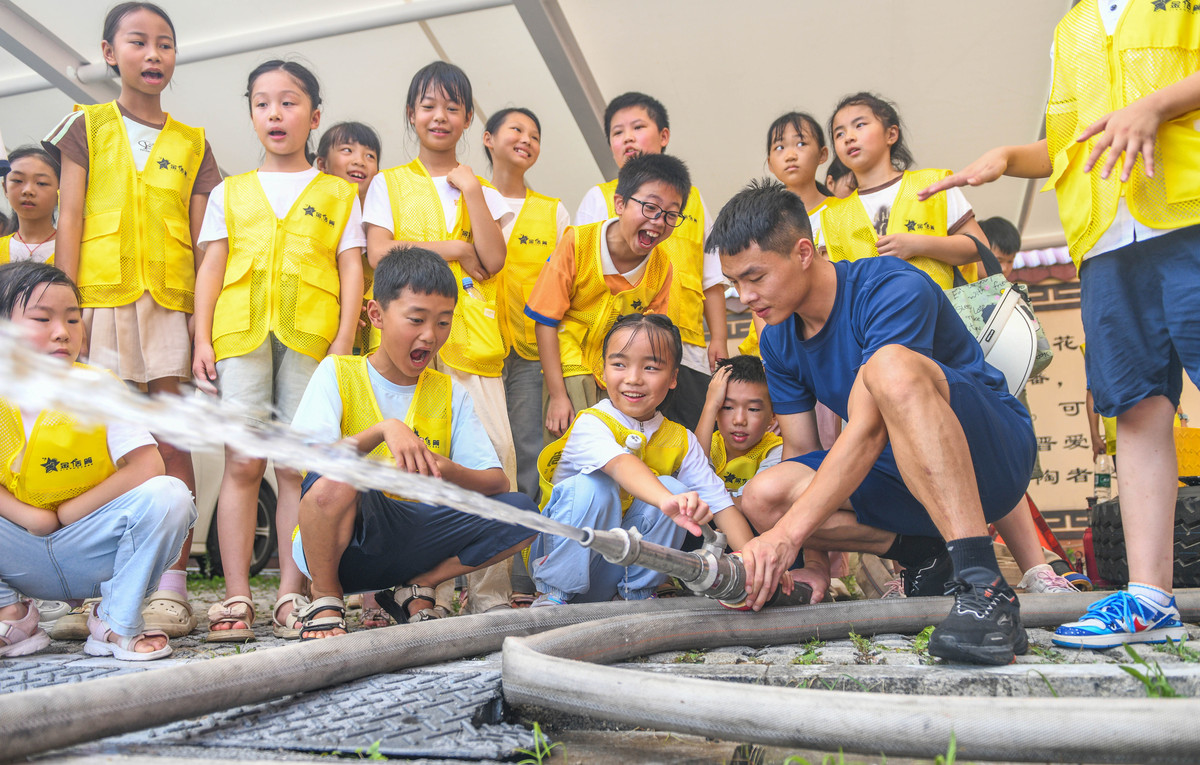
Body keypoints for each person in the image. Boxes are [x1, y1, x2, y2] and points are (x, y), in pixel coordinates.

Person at [921, 1, 1200, 649]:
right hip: (1106, 235)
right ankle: (1151, 598)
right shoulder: (1070, 28)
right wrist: (1007, 158)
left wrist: (1157, 106)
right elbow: (1068, 141)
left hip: (1189, 212)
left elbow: (1142, 108)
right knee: (1135, 408)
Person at [710, 180, 1036, 665]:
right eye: (734, 283)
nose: (744, 296)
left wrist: (783, 539)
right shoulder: (778, 339)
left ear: (803, 252)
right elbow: (802, 451)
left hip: (992, 455)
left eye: (754, 277)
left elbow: (868, 428)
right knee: (763, 495)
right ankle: (924, 554)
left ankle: (984, 587)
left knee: (887, 367)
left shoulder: (890, 286)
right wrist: (810, 565)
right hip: (901, 476)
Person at [42, 2, 221, 639]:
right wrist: (66, 312)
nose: (153, 55)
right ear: (109, 52)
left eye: (165, 44)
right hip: (100, 307)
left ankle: (171, 585)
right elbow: (70, 222)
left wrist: (204, 328)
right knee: (100, 445)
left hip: (170, 306)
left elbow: (207, 246)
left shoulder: (195, 143)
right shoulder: (83, 127)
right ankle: (96, 586)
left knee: (172, 441)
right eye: (139, 43)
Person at [192, 60, 364, 642]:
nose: (275, 113)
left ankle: (292, 595)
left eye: (289, 103)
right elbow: (211, 266)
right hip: (239, 334)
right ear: (251, 114)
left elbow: (351, 269)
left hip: (313, 340)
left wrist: (342, 343)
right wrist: (200, 338)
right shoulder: (229, 192)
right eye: (263, 102)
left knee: (295, 466)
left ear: (314, 116)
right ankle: (236, 596)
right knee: (242, 462)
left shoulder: (339, 193)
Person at [289, 247, 538, 638]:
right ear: (376, 315)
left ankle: (418, 584)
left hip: (417, 539)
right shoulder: (337, 372)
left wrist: (445, 468)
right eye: (416, 320)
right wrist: (382, 430)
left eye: (443, 322)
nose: (430, 335)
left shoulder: (450, 392)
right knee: (336, 478)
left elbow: (496, 483)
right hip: (346, 544)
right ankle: (325, 597)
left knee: (522, 512)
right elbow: (308, 460)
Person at [363, 62, 517, 616]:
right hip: (407, 348)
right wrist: (453, 250)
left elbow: (494, 260)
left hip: (474, 343)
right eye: (428, 105)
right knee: (418, 461)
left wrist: (473, 190)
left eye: (453, 107)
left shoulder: (480, 186)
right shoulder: (387, 183)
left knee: (495, 459)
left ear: (469, 118)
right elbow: (381, 255)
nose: (439, 116)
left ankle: (491, 594)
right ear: (411, 113)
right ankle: (418, 588)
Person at [0, 261, 195, 660]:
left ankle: (115, 622)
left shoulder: (99, 387)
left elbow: (148, 466)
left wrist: (71, 512)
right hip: (17, 552)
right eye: (43, 319)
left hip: (88, 546)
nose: (63, 332)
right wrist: (33, 517)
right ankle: (12, 617)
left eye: (74, 320)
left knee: (171, 496)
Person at [529, 314, 755, 605]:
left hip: (612, 575)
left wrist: (755, 561)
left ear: (673, 378)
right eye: (619, 364)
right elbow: (622, 465)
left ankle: (636, 596)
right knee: (595, 487)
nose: (633, 378)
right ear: (602, 370)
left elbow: (722, 505)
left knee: (676, 489)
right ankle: (552, 597)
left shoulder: (681, 440)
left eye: (650, 367)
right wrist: (665, 500)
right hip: (565, 564)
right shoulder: (592, 423)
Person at [574, 92, 727, 430]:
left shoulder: (695, 201)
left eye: (638, 126)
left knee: (690, 435)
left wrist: (718, 337)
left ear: (664, 136)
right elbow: (579, 279)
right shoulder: (599, 198)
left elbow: (713, 277)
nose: (627, 137)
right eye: (617, 132)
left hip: (688, 345)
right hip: (625, 350)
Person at [526, 153, 686, 438]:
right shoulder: (577, 244)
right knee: (569, 452)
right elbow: (545, 321)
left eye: (671, 214)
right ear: (620, 204)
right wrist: (558, 396)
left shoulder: (662, 268)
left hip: (620, 376)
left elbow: (654, 337)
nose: (659, 221)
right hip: (570, 368)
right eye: (650, 207)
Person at [484, 107, 570, 500]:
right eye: (516, 130)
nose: (526, 140)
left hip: (530, 351)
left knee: (529, 447)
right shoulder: (467, 198)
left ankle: (524, 555)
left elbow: (567, 289)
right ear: (488, 139)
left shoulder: (553, 211)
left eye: (534, 136)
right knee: (480, 447)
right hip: (475, 345)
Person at [821, 92, 987, 289]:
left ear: (891, 134)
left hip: (942, 314)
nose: (848, 137)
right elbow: (834, 288)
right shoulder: (832, 217)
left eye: (859, 125)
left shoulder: (934, 184)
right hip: (876, 319)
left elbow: (980, 247)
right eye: (839, 134)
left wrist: (918, 245)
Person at [741, 112, 833, 357]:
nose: (791, 154)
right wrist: (769, 350)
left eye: (801, 144)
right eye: (779, 147)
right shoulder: (761, 219)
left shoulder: (844, 211)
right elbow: (753, 285)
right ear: (770, 163)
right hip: (776, 339)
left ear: (823, 154)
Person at [316, 120, 381, 359]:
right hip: (322, 326)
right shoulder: (313, 213)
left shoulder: (380, 220)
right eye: (347, 150)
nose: (359, 160)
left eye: (370, 155)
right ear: (321, 164)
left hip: (369, 334)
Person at [694, 355, 782, 509]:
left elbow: (751, 505)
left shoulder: (776, 452)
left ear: (773, 416)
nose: (739, 420)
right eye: (727, 407)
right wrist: (710, 405)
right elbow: (692, 474)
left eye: (753, 409)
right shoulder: (709, 445)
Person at [0, 147, 59, 265]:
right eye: (17, 181)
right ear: (5, 188)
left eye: (41, 183)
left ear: (60, 190)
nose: (28, 191)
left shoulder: (74, 250)